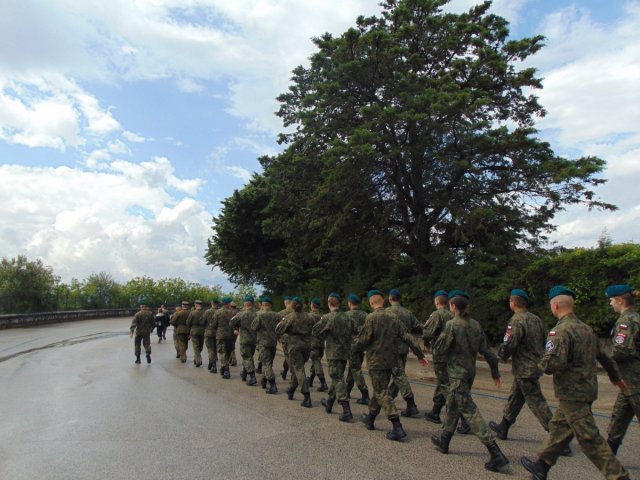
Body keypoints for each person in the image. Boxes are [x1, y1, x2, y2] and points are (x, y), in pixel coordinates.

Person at [521, 286, 630, 480]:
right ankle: (541, 466)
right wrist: (615, 377)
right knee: (560, 428)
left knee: (590, 440)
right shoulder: (586, 329)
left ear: (555, 305)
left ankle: (619, 476)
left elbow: (554, 362)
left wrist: (539, 365)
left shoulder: (560, 331)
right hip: (586, 390)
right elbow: (604, 357)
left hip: (572, 393)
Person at [431, 290, 508, 473]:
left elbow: (439, 350)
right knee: (453, 404)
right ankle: (444, 440)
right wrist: (495, 372)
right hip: (469, 373)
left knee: (470, 411)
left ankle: (496, 453)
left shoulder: (452, 325)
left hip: (457, 374)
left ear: (454, 307)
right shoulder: (475, 325)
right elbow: (488, 352)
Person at [353, 289, 428, 441]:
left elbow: (363, 340)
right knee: (381, 389)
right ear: (383, 301)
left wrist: (353, 348)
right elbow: (408, 336)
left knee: (382, 392)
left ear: (371, 302)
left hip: (376, 361)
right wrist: (420, 355)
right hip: (391, 360)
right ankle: (371, 418)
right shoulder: (393, 317)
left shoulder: (371, 318)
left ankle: (397, 426)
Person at [490, 289, 554, 442]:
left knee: (536, 402)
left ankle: (558, 437)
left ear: (514, 302)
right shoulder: (536, 319)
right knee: (516, 397)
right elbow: (548, 342)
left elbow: (509, 343)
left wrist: (502, 355)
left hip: (525, 368)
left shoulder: (517, 320)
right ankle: (503, 427)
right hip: (533, 366)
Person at [605, 284, 640, 455]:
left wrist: (603, 356)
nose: (610, 304)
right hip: (629, 381)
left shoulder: (626, 321)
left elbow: (620, 350)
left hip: (635, 380)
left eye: (611, 300)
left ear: (619, 300)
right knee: (619, 416)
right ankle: (607, 456)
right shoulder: (635, 318)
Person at [313, 292, 353, 422]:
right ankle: (329, 403)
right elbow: (355, 330)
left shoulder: (328, 317)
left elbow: (315, 331)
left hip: (334, 353)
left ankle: (346, 409)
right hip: (344, 353)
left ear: (329, 303)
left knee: (338, 378)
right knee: (337, 377)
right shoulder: (347, 317)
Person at [386, 288, 424, 418]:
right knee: (399, 374)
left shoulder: (387, 312)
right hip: (404, 349)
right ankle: (390, 396)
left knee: (399, 375)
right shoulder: (408, 313)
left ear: (390, 298)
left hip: (391, 349)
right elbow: (419, 326)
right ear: (400, 299)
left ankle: (411, 403)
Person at [276, 296, 313, 408]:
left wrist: (283, 324)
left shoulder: (290, 317)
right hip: (307, 346)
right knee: (299, 369)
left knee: (299, 369)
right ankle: (291, 389)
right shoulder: (309, 317)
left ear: (292, 305)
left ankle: (307, 396)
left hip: (294, 346)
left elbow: (278, 329)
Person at [423, 289, 454, 424]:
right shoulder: (453, 315)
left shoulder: (437, 315)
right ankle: (435, 411)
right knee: (443, 382)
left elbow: (427, 332)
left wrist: (425, 342)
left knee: (445, 385)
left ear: (436, 301)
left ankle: (464, 418)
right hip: (452, 355)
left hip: (441, 355)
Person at [251, 296, 281, 394]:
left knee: (266, 363)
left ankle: (272, 385)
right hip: (273, 342)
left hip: (263, 343)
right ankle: (264, 380)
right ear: (270, 305)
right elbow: (280, 328)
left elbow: (253, 327)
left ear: (263, 305)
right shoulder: (277, 315)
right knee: (269, 362)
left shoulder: (260, 315)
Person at [345, 293, 370, 405]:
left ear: (349, 303)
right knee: (353, 368)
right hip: (361, 345)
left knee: (355, 369)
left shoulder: (346, 315)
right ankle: (347, 390)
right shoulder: (365, 315)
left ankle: (365, 394)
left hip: (351, 346)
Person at [230, 295, 258, 386]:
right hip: (254, 339)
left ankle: (252, 376)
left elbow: (232, 322)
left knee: (247, 357)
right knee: (249, 357)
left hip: (245, 339)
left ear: (245, 303)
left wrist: (236, 324)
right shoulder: (257, 314)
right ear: (252, 304)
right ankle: (244, 373)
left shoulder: (241, 314)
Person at [211, 296, 236, 379]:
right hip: (230, 335)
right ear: (229, 303)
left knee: (222, 352)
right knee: (228, 352)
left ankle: (226, 370)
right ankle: (224, 367)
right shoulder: (233, 312)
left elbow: (213, 324)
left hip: (220, 335)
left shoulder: (218, 312)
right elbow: (236, 324)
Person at [308, 298, 328, 392]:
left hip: (312, 343)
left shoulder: (308, 316)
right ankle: (310, 380)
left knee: (316, 362)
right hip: (321, 343)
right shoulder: (323, 317)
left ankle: (323, 382)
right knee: (316, 362)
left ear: (312, 305)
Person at [186, 300, 206, 367]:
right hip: (202, 331)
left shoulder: (192, 313)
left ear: (196, 305)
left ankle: (197, 360)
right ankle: (197, 358)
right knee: (200, 346)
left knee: (196, 346)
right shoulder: (205, 313)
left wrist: (189, 331)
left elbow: (188, 322)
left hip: (194, 331)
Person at [203, 298, 221, 373]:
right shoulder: (220, 312)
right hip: (218, 333)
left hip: (209, 332)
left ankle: (213, 365)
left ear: (211, 303)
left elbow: (203, 321)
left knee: (210, 349)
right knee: (216, 349)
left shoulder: (207, 311)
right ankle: (211, 363)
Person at [278, 295, 294, 380]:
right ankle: (284, 371)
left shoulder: (281, 313)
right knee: (289, 356)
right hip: (296, 338)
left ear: (286, 303)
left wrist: (277, 337)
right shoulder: (298, 312)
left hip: (285, 338)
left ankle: (293, 373)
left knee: (288, 356)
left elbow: (277, 327)